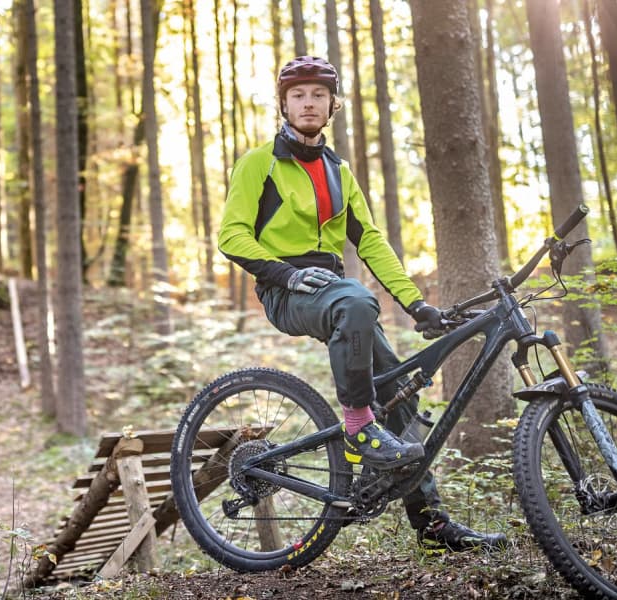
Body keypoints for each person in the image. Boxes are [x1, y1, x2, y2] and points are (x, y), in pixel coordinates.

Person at [217, 55, 507, 554]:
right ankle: (358, 427)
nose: (308, 103)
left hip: (336, 294)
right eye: (298, 96)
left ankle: (432, 523)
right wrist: (283, 271)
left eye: (317, 96)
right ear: (284, 106)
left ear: (331, 106)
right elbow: (231, 234)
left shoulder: (339, 172)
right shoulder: (257, 163)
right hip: (285, 289)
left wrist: (417, 305)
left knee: (399, 390)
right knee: (356, 299)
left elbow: (370, 242)